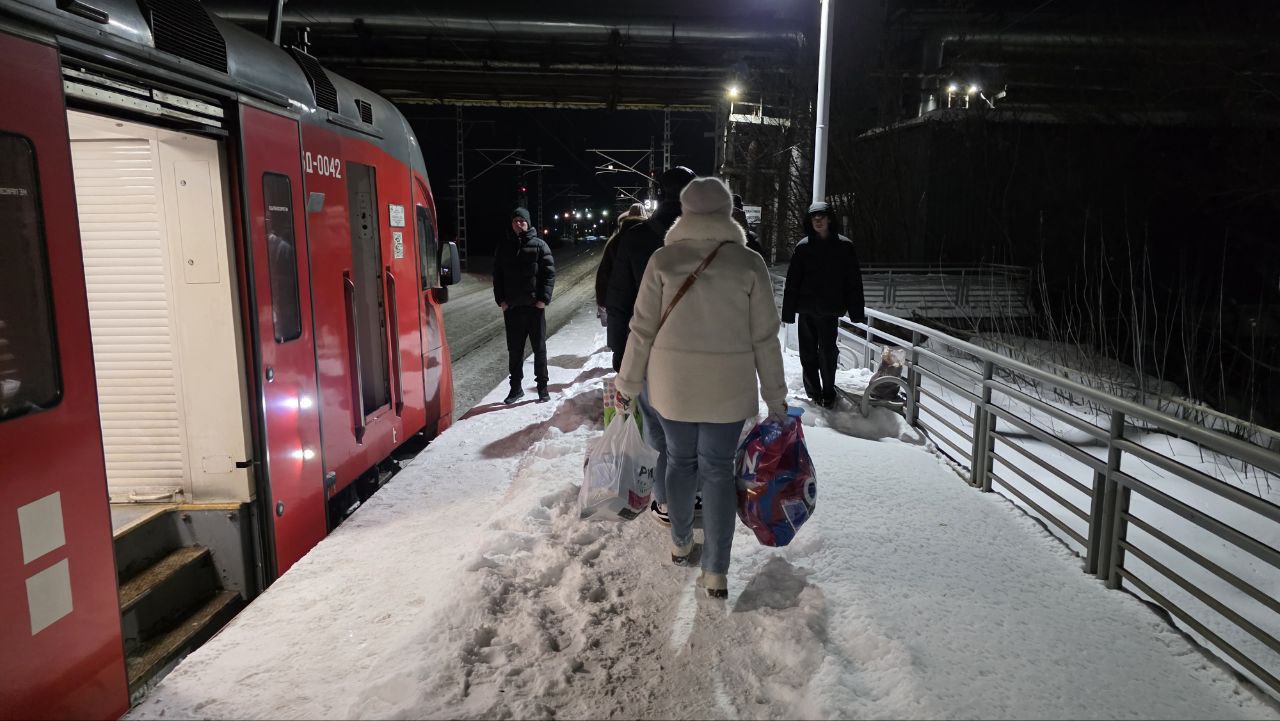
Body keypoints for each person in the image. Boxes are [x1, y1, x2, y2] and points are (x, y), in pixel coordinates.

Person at [615, 176, 787, 599]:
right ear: (727, 211)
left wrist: (628, 383)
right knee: (718, 470)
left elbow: (641, 329)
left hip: (673, 386)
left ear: (685, 211)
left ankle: (679, 542)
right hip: (728, 388)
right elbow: (766, 337)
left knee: (679, 461)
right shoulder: (748, 263)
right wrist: (775, 397)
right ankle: (716, 571)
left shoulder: (664, 260)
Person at [606, 166, 695, 527]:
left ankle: (665, 501)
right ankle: (694, 493)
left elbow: (618, 299)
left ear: (658, 194)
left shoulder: (636, 237)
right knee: (695, 425)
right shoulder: (706, 237)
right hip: (696, 349)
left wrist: (619, 351)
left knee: (656, 428)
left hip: (646, 348)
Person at [781, 201, 865, 409]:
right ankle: (814, 393)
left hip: (829, 310)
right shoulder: (803, 247)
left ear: (830, 219)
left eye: (822, 217)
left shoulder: (844, 247)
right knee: (807, 353)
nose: (817, 221)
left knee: (828, 353)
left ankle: (828, 392)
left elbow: (853, 281)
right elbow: (793, 282)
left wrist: (856, 311)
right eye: (814, 218)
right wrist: (788, 312)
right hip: (807, 309)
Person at [493, 207, 556, 404]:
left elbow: (549, 274)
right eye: (515, 221)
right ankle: (515, 389)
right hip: (512, 309)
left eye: (522, 221)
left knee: (539, 349)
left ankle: (542, 388)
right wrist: (501, 300)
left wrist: (543, 299)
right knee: (515, 351)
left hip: (534, 309)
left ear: (528, 223)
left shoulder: (540, 246)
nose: (518, 224)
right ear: (511, 224)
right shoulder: (504, 247)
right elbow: (497, 276)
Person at [594, 202, 647, 327]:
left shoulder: (615, 240)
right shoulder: (651, 238)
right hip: (646, 302)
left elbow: (603, 274)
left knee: (619, 336)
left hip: (617, 302)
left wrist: (602, 301)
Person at [731, 193, 765, 258]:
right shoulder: (740, 212)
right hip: (739, 236)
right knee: (755, 245)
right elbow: (745, 228)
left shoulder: (723, 212)